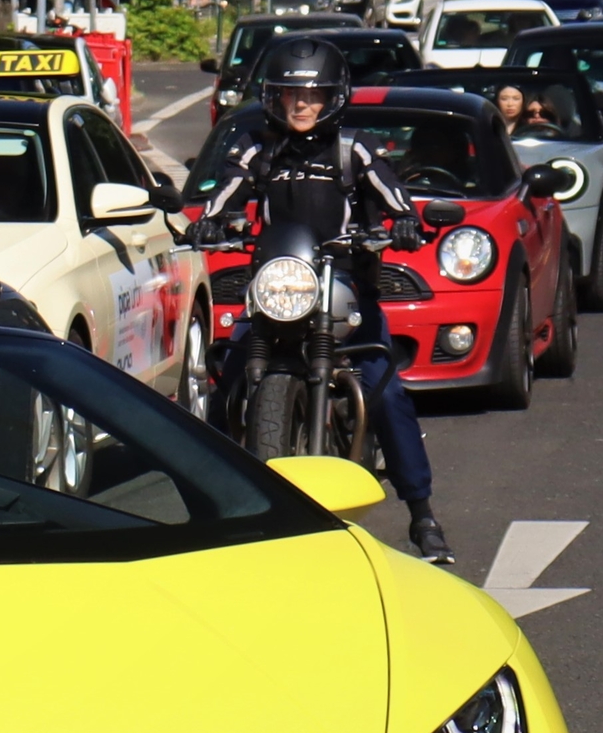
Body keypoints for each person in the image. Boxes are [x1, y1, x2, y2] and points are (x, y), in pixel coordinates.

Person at [192, 37, 454, 565]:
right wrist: (209, 221)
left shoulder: (352, 149)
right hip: (279, 289)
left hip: (343, 288)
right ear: (274, 99)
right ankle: (206, 510)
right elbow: (228, 189)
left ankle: (423, 515)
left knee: (385, 392)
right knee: (226, 391)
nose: (301, 105)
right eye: (290, 96)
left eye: (311, 96)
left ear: (333, 98)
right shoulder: (255, 146)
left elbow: (393, 195)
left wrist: (403, 222)